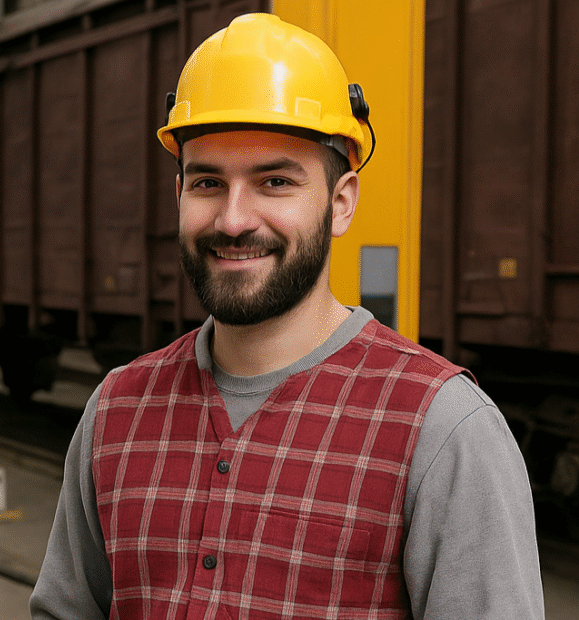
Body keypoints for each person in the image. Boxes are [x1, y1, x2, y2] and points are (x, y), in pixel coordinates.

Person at [30, 13, 544, 620]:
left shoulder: (444, 433)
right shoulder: (117, 412)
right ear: (179, 198)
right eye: (207, 182)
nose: (233, 219)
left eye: (274, 181)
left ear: (341, 202)